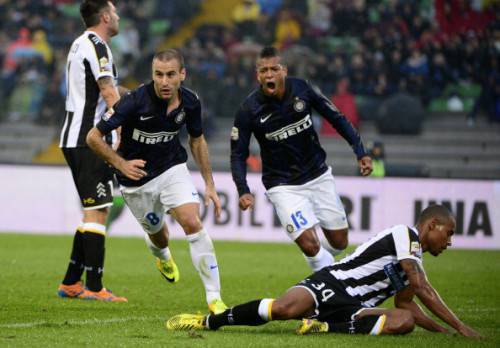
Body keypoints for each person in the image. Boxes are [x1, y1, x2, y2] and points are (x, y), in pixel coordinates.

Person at [166, 205, 482, 338]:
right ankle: (209, 321)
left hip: (355, 308)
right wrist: (461, 326)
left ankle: (324, 327)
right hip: (333, 282)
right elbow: (422, 288)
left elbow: (406, 303)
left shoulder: (414, 260)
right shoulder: (404, 236)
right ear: (431, 226)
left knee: (406, 321)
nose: (450, 241)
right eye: (449, 232)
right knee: (285, 308)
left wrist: (443, 332)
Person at [86, 49, 227, 314]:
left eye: (170, 75)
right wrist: (120, 163)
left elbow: (197, 140)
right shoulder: (134, 102)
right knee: (158, 234)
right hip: (136, 180)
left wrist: (209, 184)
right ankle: (162, 256)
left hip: (172, 168)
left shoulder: (191, 102)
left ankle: (214, 297)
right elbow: (93, 137)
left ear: (182, 75)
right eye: (158, 75)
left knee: (192, 222)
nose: (164, 81)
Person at [230, 46, 372, 272]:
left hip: (318, 175)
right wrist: (243, 189)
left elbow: (336, 117)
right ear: (257, 75)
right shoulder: (249, 109)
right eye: (264, 70)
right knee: (310, 244)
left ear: (283, 70)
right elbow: (238, 153)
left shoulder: (302, 88)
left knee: (339, 242)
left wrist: (360, 151)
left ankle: (320, 261)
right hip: (282, 185)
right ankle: (331, 286)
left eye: (274, 69)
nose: (269, 75)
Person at [57, 0, 126, 302]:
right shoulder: (98, 45)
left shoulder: (79, 43)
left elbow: (105, 90)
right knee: (97, 211)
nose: (119, 16)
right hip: (90, 140)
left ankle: (72, 282)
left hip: (75, 137)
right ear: (106, 16)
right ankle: (95, 287)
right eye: (116, 11)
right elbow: (107, 91)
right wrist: (120, 122)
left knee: (92, 209)